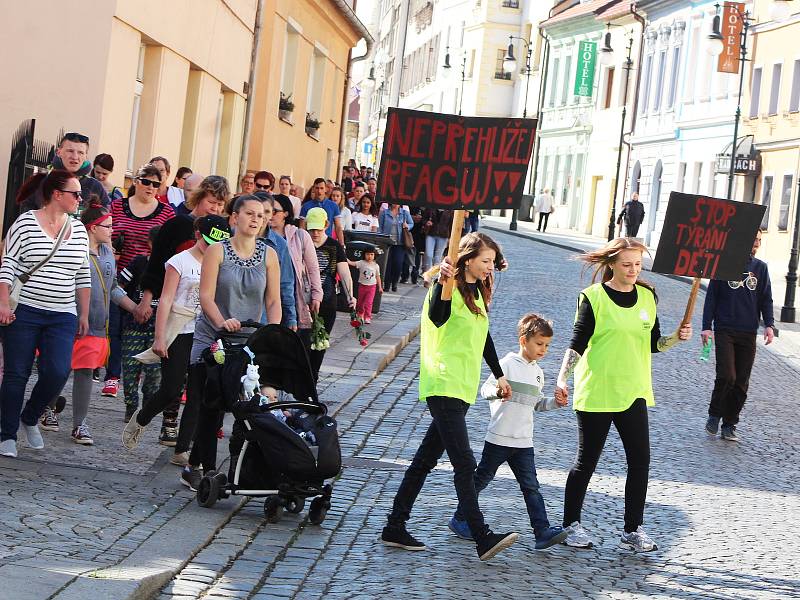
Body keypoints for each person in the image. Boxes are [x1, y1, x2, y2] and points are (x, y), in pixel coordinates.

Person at [381, 232, 519, 561]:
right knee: (464, 462)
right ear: (466, 259)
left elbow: (483, 338)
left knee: (425, 460)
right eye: (484, 261)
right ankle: (481, 535)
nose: (489, 267)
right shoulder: (444, 288)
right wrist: (443, 280)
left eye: (491, 262)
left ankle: (394, 526)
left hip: (461, 386)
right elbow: (437, 317)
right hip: (442, 382)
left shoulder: (476, 291)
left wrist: (499, 374)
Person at [554, 237, 692, 552]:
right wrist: (562, 378)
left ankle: (633, 530)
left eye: (638, 265)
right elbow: (577, 342)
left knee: (640, 461)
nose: (633, 270)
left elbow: (653, 343)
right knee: (586, 462)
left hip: (633, 391)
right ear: (612, 264)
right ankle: (571, 524)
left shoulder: (647, 296)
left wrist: (676, 338)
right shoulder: (593, 297)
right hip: (598, 391)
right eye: (627, 264)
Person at [180, 195, 281, 490]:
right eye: (250, 213)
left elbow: (273, 300)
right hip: (214, 336)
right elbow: (206, 296)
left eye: (261, 215)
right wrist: (222, 321)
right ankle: (207, 468)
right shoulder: (217, 251)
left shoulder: (269, 255)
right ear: (234, 217)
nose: (256, 219)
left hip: (250, 338)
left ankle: (221, 466)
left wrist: (272, 330)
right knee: (209, 403)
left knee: (244, 404)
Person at [448, 313, 568, 549]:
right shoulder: (506, 364)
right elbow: (485, 389)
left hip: (524, 441)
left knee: (531, 486)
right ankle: (460, 518)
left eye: (547, 345)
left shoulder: (538, 373)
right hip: (499, 438)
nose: (543, 350)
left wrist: (556, 403)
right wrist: (498, 392)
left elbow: (537, 404)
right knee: (481, 479)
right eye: (539, 344)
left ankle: (542, 531)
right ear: (524, 340)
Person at [122, 215, 231, 464]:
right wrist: (159, 337)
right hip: (179, 329)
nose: (210, 246)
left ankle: (182, 450)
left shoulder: (221, 262)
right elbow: (167, 300)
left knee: (197, 393)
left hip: (205, 330)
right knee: (171, 388)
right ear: (197, 234)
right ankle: (141, 418)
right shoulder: (179, 261)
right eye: (207, 240)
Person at [0, 170, 91, 458]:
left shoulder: (78, 229)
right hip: (24, 309)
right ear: (57, 194)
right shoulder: (25, 223)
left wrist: (84, 314)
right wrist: (3, 302)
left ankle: (30, 416)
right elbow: (8, 264)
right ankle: (6, 433)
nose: (80, 199)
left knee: (57, 371)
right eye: (76, 194)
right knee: (17, 373)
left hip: (62, 313)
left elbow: (83, 275)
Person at [40, 201, 136, 444]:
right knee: (60, 370)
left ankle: (79, 424)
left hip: (96, 327)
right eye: (108, 226)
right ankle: (48, 408)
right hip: (69, 321)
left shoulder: (107, 253)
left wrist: (134, 308)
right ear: (93, 228)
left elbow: (112, 288)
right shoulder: (73, 248)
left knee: (84, 373)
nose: (112, 230)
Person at [103, 164, 175, 399]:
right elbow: (104, 236)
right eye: (146, 181)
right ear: (136, 181)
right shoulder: (117, 206)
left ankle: (139, 379)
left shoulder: (167, 213)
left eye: (156, 184)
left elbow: (173, 246)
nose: (151, 187)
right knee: (115, 328)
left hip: (152, 280)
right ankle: (113, 377)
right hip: (120, 277)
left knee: (144, 331)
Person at [702, 230, 774, 442]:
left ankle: (729, 424)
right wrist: (707, 327)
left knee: (741, 381)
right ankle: (714, 414)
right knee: (727, 376)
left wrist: (769, 325)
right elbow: (711, 298)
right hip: (725, 329)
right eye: (754, 240)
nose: (757, 244)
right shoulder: (723, 265)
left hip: (748, 332)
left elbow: (766, 299)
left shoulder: (760, 268)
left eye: (760, 241)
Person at [305, 207, 355, 381]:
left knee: (319, 346)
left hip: (327, 302)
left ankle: (313, 380)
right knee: (303, 345)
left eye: (318, 229)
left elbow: (344, 273)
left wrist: (350, 296)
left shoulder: (334, 246)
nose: (315, 233)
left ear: (326, 225)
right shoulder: (303, 243)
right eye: (312, 229)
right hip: (304, 303)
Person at [118, 228, 162, 425]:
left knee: (154, 373)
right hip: (134, 326)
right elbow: (118, 287)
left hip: (157, 329)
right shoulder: (139, 263)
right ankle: (131, 406)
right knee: (130, 369)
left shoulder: (171, 266)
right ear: (151, 243)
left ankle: (147, 408)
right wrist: (134, 307)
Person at [270, 194, 322, 348]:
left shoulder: (299, 235)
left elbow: (313, 267)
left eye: (274, 211)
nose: (270, 215)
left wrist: (316, 294)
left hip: (293, 293)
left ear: (285, 213)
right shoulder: (262, 236)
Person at [17, 132, 109, 213]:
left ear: (86, 156)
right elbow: (27, 217)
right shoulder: (39, 182)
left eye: (80, 152)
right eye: (70, 151)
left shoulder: (96, 187)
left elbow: (104, 222)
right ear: (58, 152)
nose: (75, 157)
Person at [257, 196, 297, 329]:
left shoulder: (279, 244)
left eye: (268, 212)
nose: (261, 216)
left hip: (264, 318)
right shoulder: (231, 238)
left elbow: (286, 283)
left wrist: (291, 317)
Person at [378, 203, 413, 292]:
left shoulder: (404, 213)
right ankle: (386, 284)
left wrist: (407, 226)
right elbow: (380, 227)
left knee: (398, 263)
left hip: (400, 243)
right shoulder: (385, 213)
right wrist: (381, 239)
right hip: (387, 243)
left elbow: (411, 223)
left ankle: (395, 282)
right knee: (387, 265)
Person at [299, 178, 344, 242]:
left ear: (326, 189)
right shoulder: (306, 206)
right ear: (313, 189)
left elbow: (338, 227)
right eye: (317, 188)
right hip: (310, 241)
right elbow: (302, 227)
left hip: (327, 241)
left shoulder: (333, 206)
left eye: (321, 188)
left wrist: (342, 244)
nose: (319, 191)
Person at [348, 245, 382, 324]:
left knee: (368, 302)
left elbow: (378, 277)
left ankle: (368, 316)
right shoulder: (361, 263)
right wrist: (345, 259)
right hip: (362, 286)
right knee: (360, 302)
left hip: (372, 287)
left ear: (374, 255)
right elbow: (352, 263)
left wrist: (380, 287)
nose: (369, 256)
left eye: (371, 254)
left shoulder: (376, 266)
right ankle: (360, 314)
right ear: (364, 255)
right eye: (367, 254)